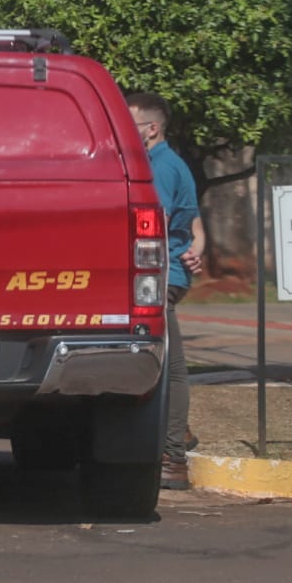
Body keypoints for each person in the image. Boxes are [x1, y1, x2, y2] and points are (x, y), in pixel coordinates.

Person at [125, 92, 206, 492]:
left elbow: (152, 224)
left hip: (160, 279)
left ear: (152, 129)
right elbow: (194, 224)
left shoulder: (160, 167)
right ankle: (177, 436)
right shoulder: (166, 164)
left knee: (170, 369)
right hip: (167, 275)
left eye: (131, 124)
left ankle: (174, 457)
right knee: (161, 366)